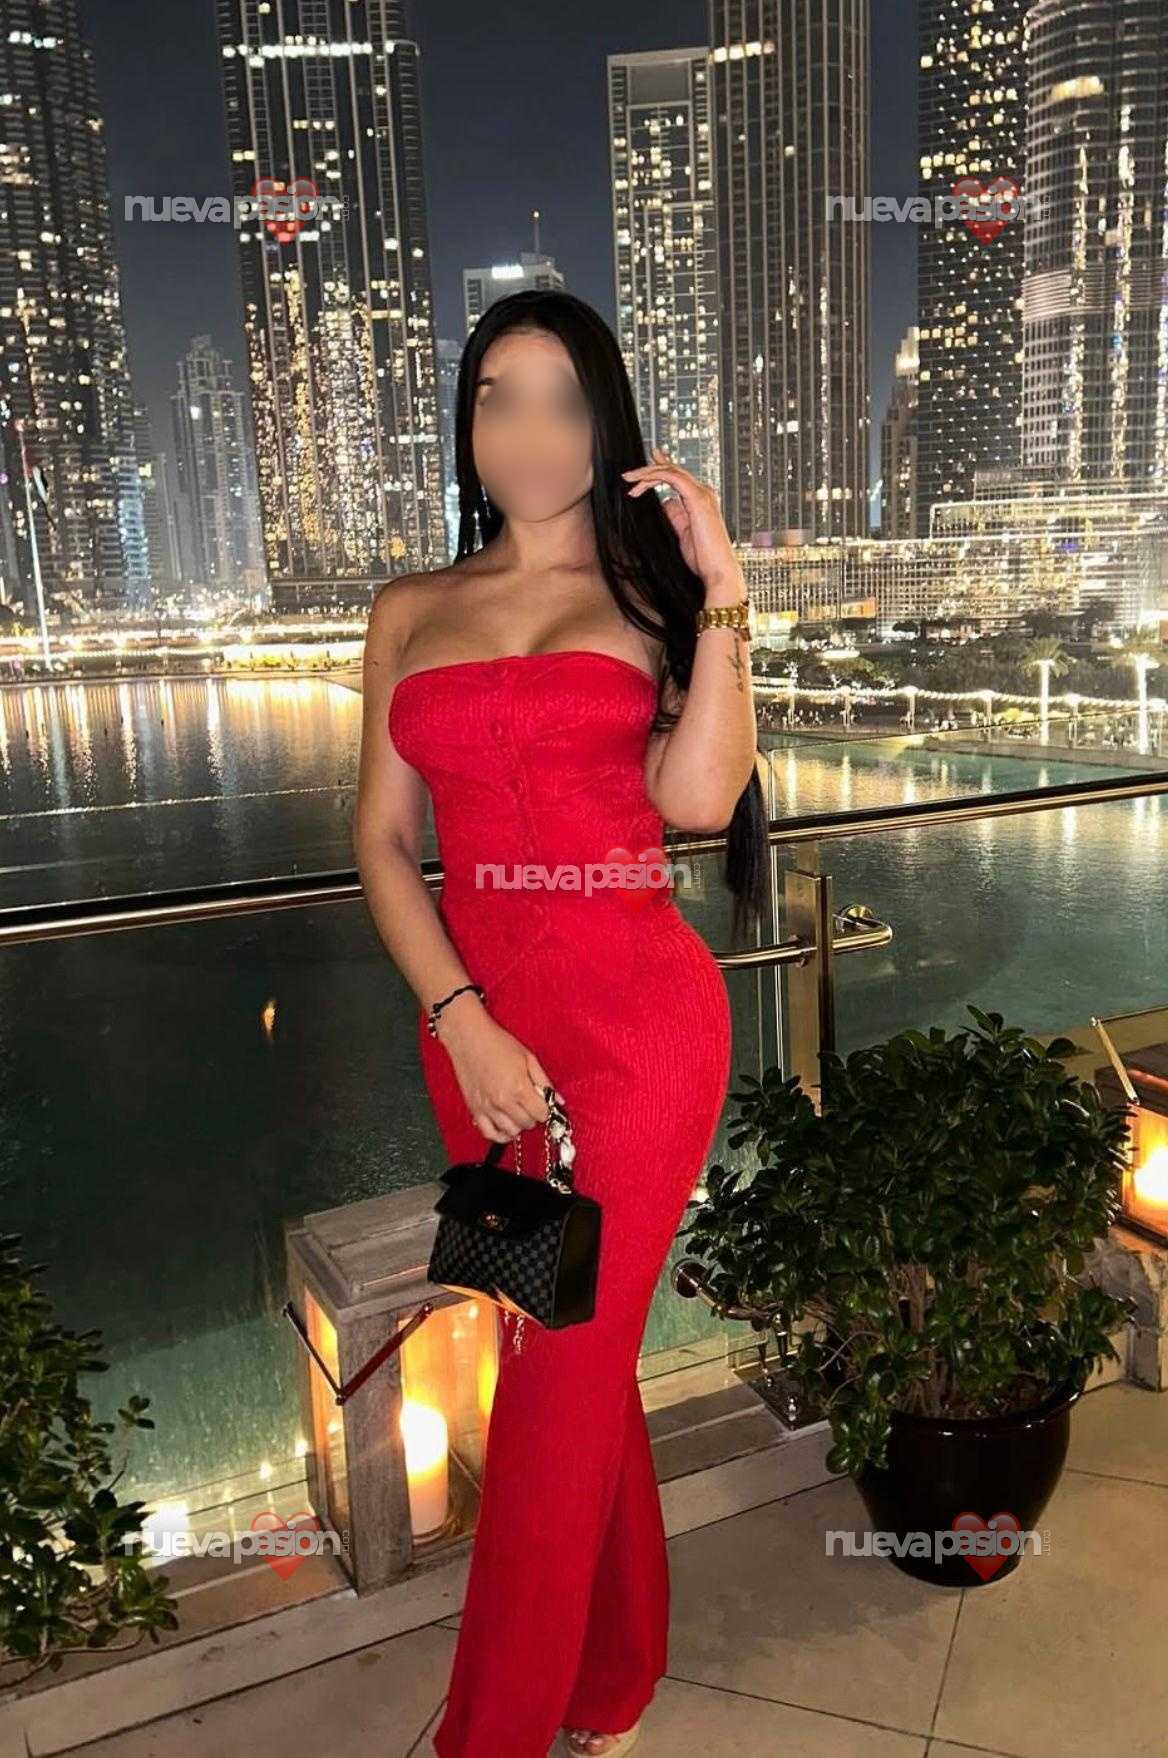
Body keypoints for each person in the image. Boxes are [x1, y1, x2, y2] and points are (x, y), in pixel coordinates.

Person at [352, 289, 766, 1758]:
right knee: (560, 1355)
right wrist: (461, 1018)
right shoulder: (408, 609)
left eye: (564, 401)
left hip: (639, 1036)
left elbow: (699, 799)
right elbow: (381, 845)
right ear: (467, 424)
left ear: (608, 426)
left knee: (551, 1389)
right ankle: (616, 1669)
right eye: (499, 398)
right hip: (476, 1041)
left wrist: (722, 585)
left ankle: (494, 1733)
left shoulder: (650, 603)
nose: (530, 433)